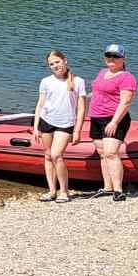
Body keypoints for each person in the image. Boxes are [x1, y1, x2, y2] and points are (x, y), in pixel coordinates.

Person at [32, 49, 87, 203]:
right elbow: (40, 105)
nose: (55, 65)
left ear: (65, 60)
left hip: (66, 123)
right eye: (51, 64)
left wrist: (77, 130)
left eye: (57, 62)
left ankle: (64, 191)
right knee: (48, 156)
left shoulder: (78, 81)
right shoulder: (46, 81)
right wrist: (36, 126)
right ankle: (51, 191)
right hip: (46, 121)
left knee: (57, 155)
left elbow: (81, 108)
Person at [88, 43, 137, 201]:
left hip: (114, 119)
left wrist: (114, 122)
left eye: (116, 56)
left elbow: (125, 102)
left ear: (123, 58)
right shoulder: (102, 72)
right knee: (102, 154)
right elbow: (96, 92)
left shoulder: (126, 77)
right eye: (109, 55)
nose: (111, 59)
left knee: (110, 153)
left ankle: (118, 190)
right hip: (96, 117)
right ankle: (107, 187)